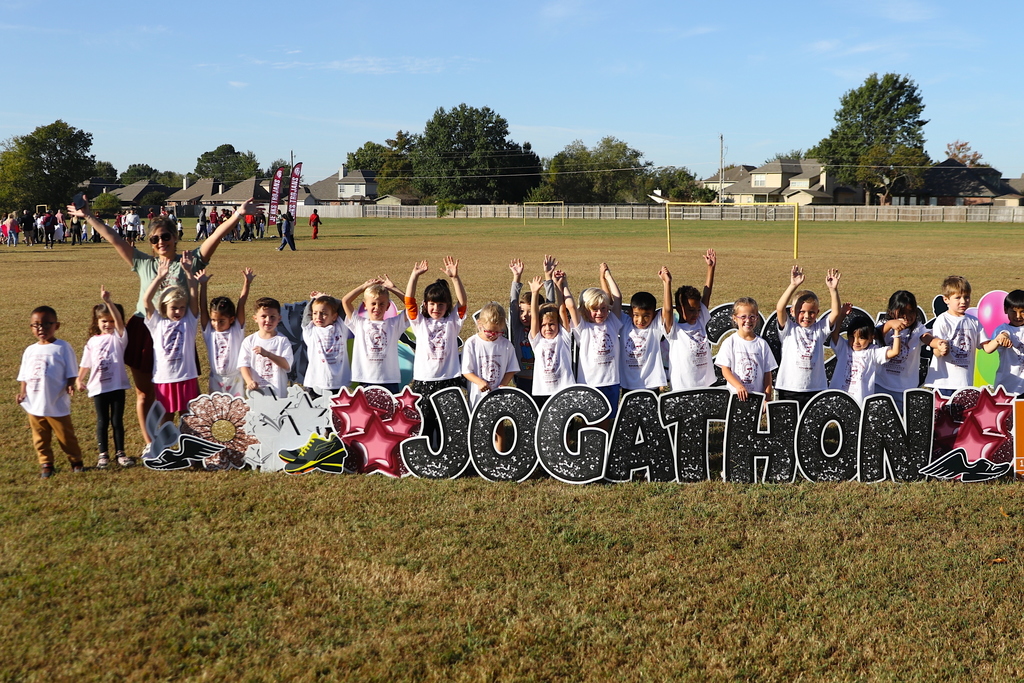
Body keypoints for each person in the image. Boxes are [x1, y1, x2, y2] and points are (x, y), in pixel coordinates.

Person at [66, 194, 255, 456]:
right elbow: (114, 238)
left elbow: (215, 238)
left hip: (179, 333)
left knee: (184, 392)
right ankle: (150, 443)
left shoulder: (189, 261)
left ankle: (188, 441)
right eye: (155, 239)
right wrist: (88, 216)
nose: (161, 242)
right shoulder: (144, 263)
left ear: (175, 236)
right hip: (145, 330)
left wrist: (237, 214)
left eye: (165, 236)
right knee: (146, 394)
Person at [16, 306, 85, 478]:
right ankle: (46, 463)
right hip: (35, 403)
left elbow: (71, 370)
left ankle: (76, 461)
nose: (41, 328)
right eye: (36, 325)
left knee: (65, 436)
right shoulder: (30, 350)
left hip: (56, 402)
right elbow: (24, 375)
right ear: (30, 327)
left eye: (47, 324)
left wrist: (70, 383)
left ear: (57, 326)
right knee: (40, 438)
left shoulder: (62, 347)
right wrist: (22, 392)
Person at [405, 257, 468, 444]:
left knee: (447, 424)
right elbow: (409, 301)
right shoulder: (419, 323)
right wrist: (414, 276)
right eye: (432, 304)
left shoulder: (452, 322)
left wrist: (455, 278)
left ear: (447, 306)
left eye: (441, 305)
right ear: (425, 304)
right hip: (424, 381)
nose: (436, 308)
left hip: (448, 380)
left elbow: (463, 303)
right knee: (424, 422)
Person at [77, 287, 132, 468]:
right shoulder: (93, 341)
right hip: (98, 387)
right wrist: (79, 379)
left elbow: (119, 323)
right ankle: (103, 455)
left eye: (110, 321)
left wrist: (109, 302)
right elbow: (86, 363)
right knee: (102, 421)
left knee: (117, 421)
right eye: (103, 321)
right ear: (97, 321)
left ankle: (120, 453)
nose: (108, 324)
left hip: (117, 386)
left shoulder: (119, 337)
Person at [773, 266, 841, 410]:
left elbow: (835, 312)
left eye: (811, 313)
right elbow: (779, 308)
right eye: (801, 311)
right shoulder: (789, 329)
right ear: (792, 311)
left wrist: (833, 290)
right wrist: (793, 285)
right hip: (790, 388)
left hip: (815, 388)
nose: (806, 316)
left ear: (817, 312)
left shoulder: (819, 329)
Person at [143, 256, 201, 425]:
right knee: (166, 418)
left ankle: (189, 449)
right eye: (174, 308)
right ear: (164, 307)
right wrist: (160, 277)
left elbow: (193, 297)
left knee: (188, 418)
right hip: (164, 378)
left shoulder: (188, 321)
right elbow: (147, 300)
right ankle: (164, 448)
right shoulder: (157, 323)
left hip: (186, 377)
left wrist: (189, 274)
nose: (178, 311)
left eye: (182, 307)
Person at [563, 264, 624, 419]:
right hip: (590, 383)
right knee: (589, 420)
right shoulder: (582, 327)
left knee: (608, 420)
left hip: (611, 381)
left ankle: (606, 444)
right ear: (585, 309)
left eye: (603, 308)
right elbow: (570, 306)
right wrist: (563, 284)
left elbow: (617, 298)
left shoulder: (612, 322)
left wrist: (607, 276)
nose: (600, 313)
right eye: (595, 309)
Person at [660, 251, 718, 392]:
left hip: (705, 383)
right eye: (691, 310)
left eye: (698, 310)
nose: (696, 314)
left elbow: (707, 293)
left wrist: (711, 268)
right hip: (683, 386)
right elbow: (667, 310)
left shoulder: (700, 320)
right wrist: (667, 283)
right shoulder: (674, 330)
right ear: (680, 309)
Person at [341, 276, 408, 393]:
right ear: (365, 305)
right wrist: (363, 287)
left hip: (389, 380)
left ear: (388, 306)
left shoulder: (394, 325)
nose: (377, 307)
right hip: (366, 379)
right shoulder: (359, 323)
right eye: (373, 303)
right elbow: (345, 301)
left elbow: (411, 307)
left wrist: (393, 288)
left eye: (382, 304)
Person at [925, 275, 988, 396]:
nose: (963, 301)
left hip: (965, 382)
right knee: (942, 414)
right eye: (958, 298)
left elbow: (987, 346)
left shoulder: (974, 321)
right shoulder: (942, 320)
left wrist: (1000, 339)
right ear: (946, 299)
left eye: (967, 297)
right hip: (944, 383)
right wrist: (941, 349)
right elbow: (936, 351)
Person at [828, 307, 901, 405]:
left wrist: (897, 331)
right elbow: (834, 334)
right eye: (852, 337)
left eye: (861, 338)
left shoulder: (873, 352)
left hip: (859, 404)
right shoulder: (843, 347)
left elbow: (895, 351)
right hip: (836, 400)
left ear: (871, 338)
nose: (856, 342)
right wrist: (842, 316)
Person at [199, 268, 254, 396]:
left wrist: (247, 283)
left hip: (235, 378)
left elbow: (241, 304)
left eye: (221, 321)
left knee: (236, 412)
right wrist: (203, 285)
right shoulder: (209, 332)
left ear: (231, 319)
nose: (216, 324)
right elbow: (202, 308)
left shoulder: (236, 330)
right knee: (217, 412)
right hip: (215, 378)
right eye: (213, 320)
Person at [508, 257, 556, 400]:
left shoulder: (542, 328)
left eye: (530, 311)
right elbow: (513, 304)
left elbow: (550, 305)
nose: (525, 315)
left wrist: (548, 277)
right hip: (522, 379)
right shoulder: (516, 327)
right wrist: (516, 277)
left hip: (541, 378)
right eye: (522, 311)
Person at [876, 290, 932, 412]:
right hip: (880, 384)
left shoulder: (917, 328)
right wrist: (890, 324)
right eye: (902, 313)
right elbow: (873, 336)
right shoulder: (884, 325)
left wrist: (937, 343)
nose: (907, 316)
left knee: (903, 420)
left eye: (911, 311)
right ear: (891, 312)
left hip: (905, 388)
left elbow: (926, 337)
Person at [716, 298, 776, 401]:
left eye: (752, 317)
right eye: (743, 317)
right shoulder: (730, 342)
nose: (748, 321)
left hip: (757, 398)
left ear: (757, 318)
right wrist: (738, 386)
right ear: (735, 318)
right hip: (735, 397)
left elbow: (767, 373)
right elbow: (725, 370)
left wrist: (767, 396)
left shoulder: (762, 344)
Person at [461, 302, 519, 410]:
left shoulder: (506, 345)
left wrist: (503, 384)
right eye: (489, 332)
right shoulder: (472, 343)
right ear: (479, 324)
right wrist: (479, 382)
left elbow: (512, 369)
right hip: (477, 396)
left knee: (498, 420)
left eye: (497, 332)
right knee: (478, 423)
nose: (493, 335)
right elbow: (466, 371)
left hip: (498, 394)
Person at [529, 272, 574, 404]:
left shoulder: (563, 337)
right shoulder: (537, 341)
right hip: (542, 391)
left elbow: (562, 311)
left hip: (563, 389)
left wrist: (558, 286)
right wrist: (535, 293)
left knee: (566, 423)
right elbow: (534, 317)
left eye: (552, 324)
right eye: (544, 325)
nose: (548, 328)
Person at [238, 297, 293, 398]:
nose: (268, 320)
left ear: (279, 318)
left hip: (279, 394)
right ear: (255, 318)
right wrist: (249, 381)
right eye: (263, 316)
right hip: (257, 393)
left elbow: (286, 365)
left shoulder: (282, 341)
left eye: (272, 317)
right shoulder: (249, 341)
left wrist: (268, 354)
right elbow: (243, 365)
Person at [301, 292, 351, 398]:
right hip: (314, 384)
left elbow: (343, 306)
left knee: (335, 413)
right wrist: (314, 300)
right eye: (315, 313)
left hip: (338, 384)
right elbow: (306, 315)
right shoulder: (310, 330)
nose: (318, 317)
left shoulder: (341, 327)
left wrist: (329, 298)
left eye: (324, 313)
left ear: (334, 316)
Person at [983, 289, 1024, 395]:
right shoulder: (1003, 329)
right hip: (1007, 388)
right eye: (1014, 311)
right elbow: (1003, 334)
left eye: (1022, 311)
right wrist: (1002, 337)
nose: (1018, 316)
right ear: (1005, 310)